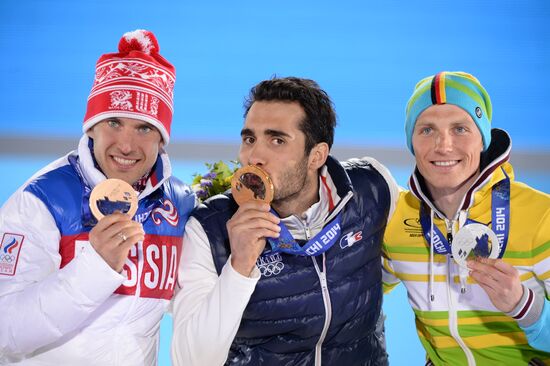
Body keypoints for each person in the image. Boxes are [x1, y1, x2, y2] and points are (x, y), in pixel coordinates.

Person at [171, 77, 399, 365]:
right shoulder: (209, 229)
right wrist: (238, 268)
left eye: (277, 140)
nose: (254, 155)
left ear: (317, 155)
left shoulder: (373, 189)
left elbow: (416, 251)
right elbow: (191, 360)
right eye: (249, 138)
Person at [0, 30, 195, 365]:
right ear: (90, 127)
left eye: (145, 128)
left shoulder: (180, 202)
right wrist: (95, 268)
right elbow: (5, 332)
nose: (126, 145)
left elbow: (193, 304)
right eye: (114, 122)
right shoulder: (42, 201)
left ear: (162, 139)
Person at [382, 71, 550, 365]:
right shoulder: (396, 220)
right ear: (412, 141)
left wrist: (526, 307)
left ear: (482, 139)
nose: (444, 146)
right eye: (426, 130)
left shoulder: (541, 217)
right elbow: (341, 294)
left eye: (460, 129)